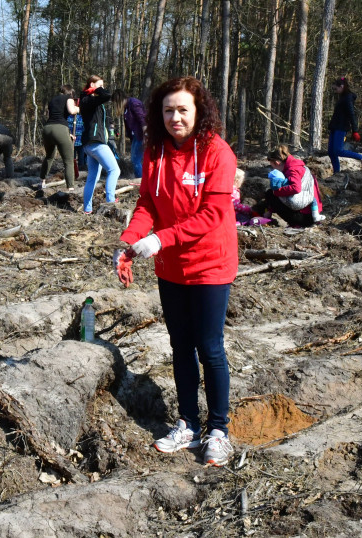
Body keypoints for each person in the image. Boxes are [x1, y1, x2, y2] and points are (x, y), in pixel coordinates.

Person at [117, 75, 237, 467]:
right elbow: (148, 202)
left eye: (183, 109)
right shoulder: (156, 151)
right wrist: (131, 241)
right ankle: (188, 424)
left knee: (210, 346)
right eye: (168, 110)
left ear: (198, 111)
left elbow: (213, 214)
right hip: (171, 268)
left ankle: (219, 429)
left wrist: (159, 240)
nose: (175, 117)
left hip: (210, 266)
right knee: (180, 346)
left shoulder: (218, 152)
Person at [80, 75, 120, 214]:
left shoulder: (92, 101)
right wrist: (96, 89)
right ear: (92, 84)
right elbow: (107, 95)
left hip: (91, 144)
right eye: (100, 85)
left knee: (93, 176)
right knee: (114, 170)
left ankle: (87, 209)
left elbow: (104, 116)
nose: (102, 88)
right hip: (95, 142)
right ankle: (110, 201)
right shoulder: (87, 99)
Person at [40, 85, 79, 190]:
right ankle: (70, 187)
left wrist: (68, 133)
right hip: (60, 129)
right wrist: (78, 109)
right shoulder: (69, 98)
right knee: (68, 160)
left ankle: (42, 181)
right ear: (70, 93)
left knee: (49, 156)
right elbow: (71, 111)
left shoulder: (52, 100)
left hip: (47, 129)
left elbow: (55, 117)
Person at [327, 76, 362, 173]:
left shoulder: (348, 98)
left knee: (338, 150)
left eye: (336, 88)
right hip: (334, 127)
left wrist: (355, 130)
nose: (335, 90)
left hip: (341, 127)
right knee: (331, 152)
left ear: (341, 86)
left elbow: (351, 114)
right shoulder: (342, 98)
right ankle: (336, 172)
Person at [120, 92, 148, 179]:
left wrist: (145, 135)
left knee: (135, 160)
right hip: (136, 136)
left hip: (141, 135)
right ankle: (140, 178)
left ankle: (141, 179)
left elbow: (142, 118)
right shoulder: (126, 107)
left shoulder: (134, 103)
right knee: (134, 160)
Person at [68, 111, 85, 177]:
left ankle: (80, 171)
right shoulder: (69, 118)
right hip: (73, 141)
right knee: (74, 157)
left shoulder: (80, 118)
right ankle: (74, 171)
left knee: (80, 157)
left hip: (79, 141)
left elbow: (83, 128)